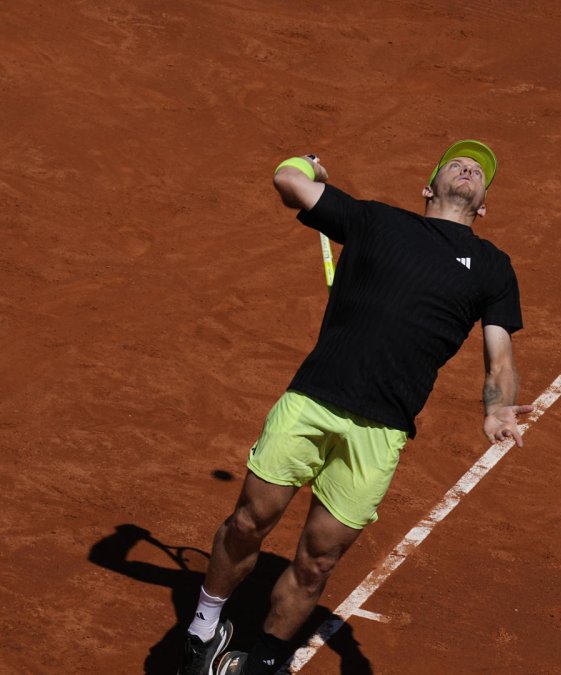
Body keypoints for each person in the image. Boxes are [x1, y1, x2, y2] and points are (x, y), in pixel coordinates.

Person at [179, 140, 533, 675]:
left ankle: (262, 663)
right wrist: (309, 163)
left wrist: (496, 408)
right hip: (314, 398)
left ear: (483, 205)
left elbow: (500, 357)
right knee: (250, 521)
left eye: (479, 173)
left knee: (318, 562)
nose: (468, 170)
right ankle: (205, 623)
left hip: (383, 427)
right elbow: (288, 182)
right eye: (456, 163)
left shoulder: (491, 267)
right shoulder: (375, 221)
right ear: (428, 185)